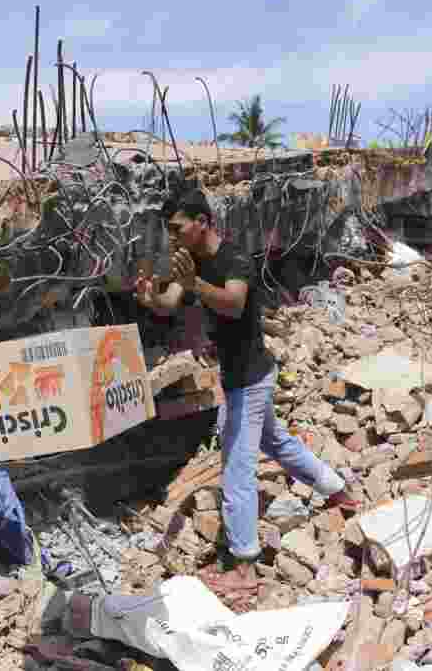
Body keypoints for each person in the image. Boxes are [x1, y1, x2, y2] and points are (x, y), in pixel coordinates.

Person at [133, 189, 358, 597]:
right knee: (276, 442)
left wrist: (193, 283)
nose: (173, 238)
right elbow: (172, 300)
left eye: (177, 228)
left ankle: (244, 566)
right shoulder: (196, 261)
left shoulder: (234, 259)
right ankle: (338, 490)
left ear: (202, 221)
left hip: (251, 378)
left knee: (237, 468)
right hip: (242, 375)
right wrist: (152, 298)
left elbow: (234, 303)